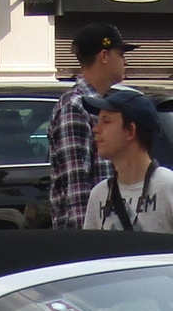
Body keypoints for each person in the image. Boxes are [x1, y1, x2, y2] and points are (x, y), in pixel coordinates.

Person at [80, 87, 173, 237]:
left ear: (130, 131)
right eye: (98, 122)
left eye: (106, 121)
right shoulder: (99, 194)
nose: (96, 129)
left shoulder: (169, 187)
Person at [47, 22, 134, 228]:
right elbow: (76, 186)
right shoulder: (75, 106)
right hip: (90, 241)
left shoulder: (105, 104)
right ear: (104, 56)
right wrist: (89, 244)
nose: (126, 61)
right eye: (120, 54)